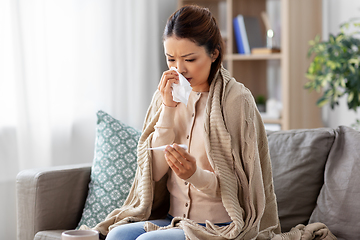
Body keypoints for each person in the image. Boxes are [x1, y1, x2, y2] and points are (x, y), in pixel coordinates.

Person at [90, 5, 282, 240]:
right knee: (117, 235)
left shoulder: (236, 101)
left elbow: (240, 188)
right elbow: (154, 174)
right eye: (171, 59)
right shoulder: (164, 95)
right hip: (173, 219)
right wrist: (168, 109)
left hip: (219, 225)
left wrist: (194, 174)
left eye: (189, 59)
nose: (179, 69)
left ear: (214, 54)